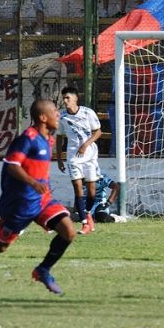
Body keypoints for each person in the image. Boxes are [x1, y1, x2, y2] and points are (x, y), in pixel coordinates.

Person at [0, 99, 78, 306]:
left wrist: (39, 185)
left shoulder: (49, 138)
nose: (58, 114)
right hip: (20, 204)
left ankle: (43, 270)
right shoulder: (27, 139)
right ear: (42, 117)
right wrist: (32, 182)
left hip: (42, 199)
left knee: (68, 231)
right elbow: (12, 165)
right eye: (55, 111)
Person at [56, 87, 103, 235]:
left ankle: (88, 214)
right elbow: (59, 137)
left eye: (68, 98)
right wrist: (59, 158)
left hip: (90, 156)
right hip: (73, 157)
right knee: (77, 188)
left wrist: (85, 145)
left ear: (76, 98)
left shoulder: (88, 112)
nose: (65, 101)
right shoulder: (62, 117)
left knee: (91, 192)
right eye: (63, 98)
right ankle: (84, 223)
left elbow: (98, 132)